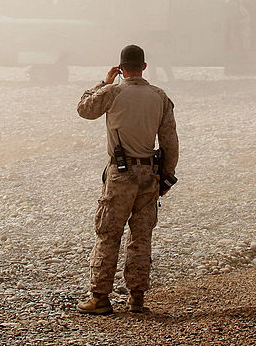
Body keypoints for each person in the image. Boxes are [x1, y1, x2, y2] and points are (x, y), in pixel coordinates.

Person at [75, 44, 179, 315]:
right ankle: (136, 298)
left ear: (121, 69)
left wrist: (102, 82)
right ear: (145, 66)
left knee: (109, 234)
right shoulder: (160, 96)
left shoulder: (113, 92)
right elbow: (170, 142)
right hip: (150, 176)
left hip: (120, 175)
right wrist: (166, 178)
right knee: (141, 237)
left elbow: (84, 110)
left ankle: (99, 298)